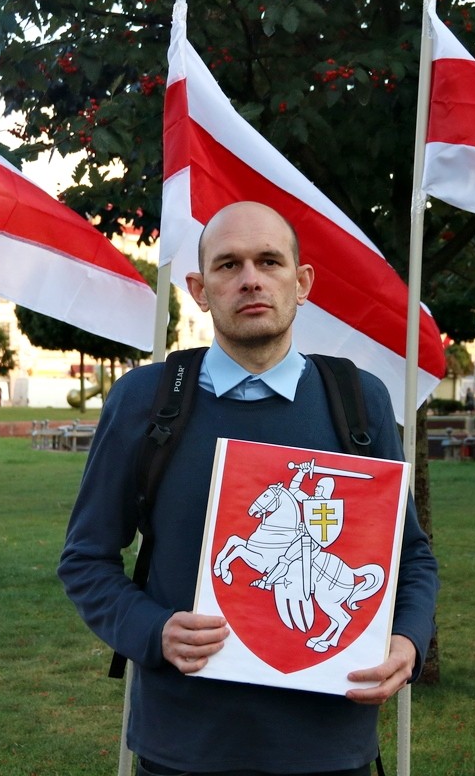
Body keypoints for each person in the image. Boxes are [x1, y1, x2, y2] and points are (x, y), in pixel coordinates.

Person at [58, 201, 438, 776]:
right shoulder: (146, 400)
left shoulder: (361, 401)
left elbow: (410, 559)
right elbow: (86, 559)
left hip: (329, 748)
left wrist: (407, 643)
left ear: (302, 282)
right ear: (199, 288)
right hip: (183, 748)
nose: (251, 279)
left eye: (269, 261)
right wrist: (152, 630)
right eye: (228, 265)